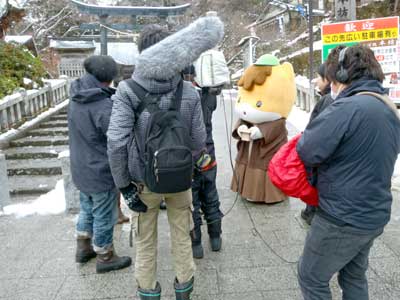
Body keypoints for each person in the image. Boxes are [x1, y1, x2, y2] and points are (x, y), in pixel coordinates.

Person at [107, 16, 223, 300]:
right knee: (183, 237)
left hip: (142, 183)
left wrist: (124, 187)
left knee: (145, 242)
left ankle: (149, 293)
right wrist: (203, 165)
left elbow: (115, 142)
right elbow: (198, 141)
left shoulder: (127, 90)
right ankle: (183, 291)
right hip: (181, 179)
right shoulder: (189, 91)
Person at [297, 44, 400, 300]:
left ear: (342, 77)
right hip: (373, 213)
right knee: (353, 276)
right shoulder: (388, 107)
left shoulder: (346, 108)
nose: (331, 85)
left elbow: (308, 150)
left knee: (311, 277)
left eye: (332, 79)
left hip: (341, 218)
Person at [68, 55, 132, 273]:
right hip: (99, 169)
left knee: (86, 206)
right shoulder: (101, 106)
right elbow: (117, 138)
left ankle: (83, 247)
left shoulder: (77, 95)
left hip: (80, 166)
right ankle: (105, 256)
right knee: (104, 213)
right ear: (108, 79)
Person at [182, 65, 224, 259]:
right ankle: (215, 238)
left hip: (186, 159)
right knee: (211, 194)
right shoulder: (208, 96)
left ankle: (196, 243)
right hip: (207, 153)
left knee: (193, 202)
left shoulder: (180, 97)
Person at [300, 63, 334, 225]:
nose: (316, 82)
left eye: (319, 78)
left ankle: (311, 213)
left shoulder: (328, 101)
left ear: (328, 80)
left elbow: (315, 134)